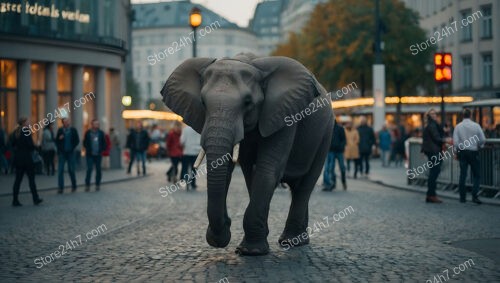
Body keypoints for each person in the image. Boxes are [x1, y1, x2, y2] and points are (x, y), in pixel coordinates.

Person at [453, 109, 486, 204]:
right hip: (473, 151)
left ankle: (462, 197)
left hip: (463, 152)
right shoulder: (476, 126)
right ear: (471, 115)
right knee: (476, 174)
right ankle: (474, 196)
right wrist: (479, 145)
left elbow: (455, 142)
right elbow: (483, 139)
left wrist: (457, 150)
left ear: (462, 116)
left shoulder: (458, 126)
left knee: (463, 174)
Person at [11, 117, 43, 206]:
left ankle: (15, 200)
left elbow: (12, 144)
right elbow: (30, 145)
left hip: (18, 159)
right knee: (31, 180)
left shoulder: (15, 132)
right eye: (28, 121)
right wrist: (37, 147)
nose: (29, 122)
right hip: (27, 159)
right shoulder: (26, 131)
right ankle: (35, 198)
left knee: (18, 180)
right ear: (24, 122)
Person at [421, 108, 446, 203]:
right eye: (432, 114)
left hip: (432, 151)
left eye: (435, 113)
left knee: (433, 172)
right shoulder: (432, 125)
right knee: (434, 173)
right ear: (429, 116)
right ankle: (431, 195)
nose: (434, 115)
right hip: (434, 151)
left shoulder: (431, 125)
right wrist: (445, 140)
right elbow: (436, 138)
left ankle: (430, 194)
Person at [55, 118, 79, 193]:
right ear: (63, 123)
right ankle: (60, 188)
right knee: (60, 171)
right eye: (65, 122)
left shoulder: (73, 130)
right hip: (62, 153)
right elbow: (56, 141)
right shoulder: (60, 130)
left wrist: (72, 147)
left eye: (68, 121)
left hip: (70, 153)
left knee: (71, 170)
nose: (67, 123)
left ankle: (74, 186)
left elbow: (77, 140)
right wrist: (59, 139)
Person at [323, 118, 347, 191]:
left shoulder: (340, 128)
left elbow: (344, 140)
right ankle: (333, 183)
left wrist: (341, 146)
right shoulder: (327, 129)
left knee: (342, 167)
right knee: (331, 168)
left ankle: (343, 181)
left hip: (339, 151)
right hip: (330, 151)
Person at [83, 119, 107, 192]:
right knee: (89, 169)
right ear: (92, 124)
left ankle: (97, 184)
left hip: (98, 155)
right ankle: (87, 185)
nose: (96, 125)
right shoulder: (88, 133)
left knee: (98, 170)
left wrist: (101, 149)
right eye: (95, 124)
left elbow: (104, 143)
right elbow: (84, 142)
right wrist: (88, 149)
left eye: (97, 124)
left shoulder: (101, 133)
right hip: (90, 155)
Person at [180, 124, 201, 190]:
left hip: (187, 151)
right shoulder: (199, 129)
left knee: (185, 167)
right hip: (196, 152)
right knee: (194, 169)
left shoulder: (185, 129)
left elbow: (182, 141)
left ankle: (185, 180)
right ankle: (193, 184)